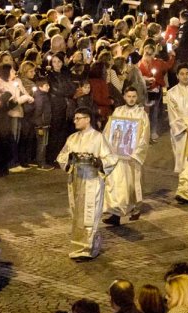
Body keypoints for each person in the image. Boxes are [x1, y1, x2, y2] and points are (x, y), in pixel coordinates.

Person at [57, 109, 117, 259]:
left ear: (87, 119)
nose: (75, 121)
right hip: (76, 181)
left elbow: (111, 157)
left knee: (90, 215)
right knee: (78, 215)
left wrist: (99, 162)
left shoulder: (98, 138)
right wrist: (69, 159)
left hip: (92, 181)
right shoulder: (72, 138)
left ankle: (88, 248)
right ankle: (78, 245)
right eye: (75, 118)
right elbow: (62, 156)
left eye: (78, 118)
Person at [102, 87, 150, 226]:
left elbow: (144, 136)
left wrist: (136, 153)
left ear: (137, 97)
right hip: (118, 155)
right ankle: (116, 214)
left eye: (134, 96)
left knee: (132, 185)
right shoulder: (118, 111)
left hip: (132, 156)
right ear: (124, 97)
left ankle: (135, 209)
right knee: (117, 184)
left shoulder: (141, 114)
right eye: (129, 96)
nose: (131, 99)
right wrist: (107, 148)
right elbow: (109, 130)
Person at [164, 65, 188, 203]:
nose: (185, 76)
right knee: (182, 159)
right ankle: (183, 189)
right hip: (180, 131)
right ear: (177, 76)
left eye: (187, 73)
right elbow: (173, 113)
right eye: (182, 74)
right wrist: (184, 127)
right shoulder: (172, 92)